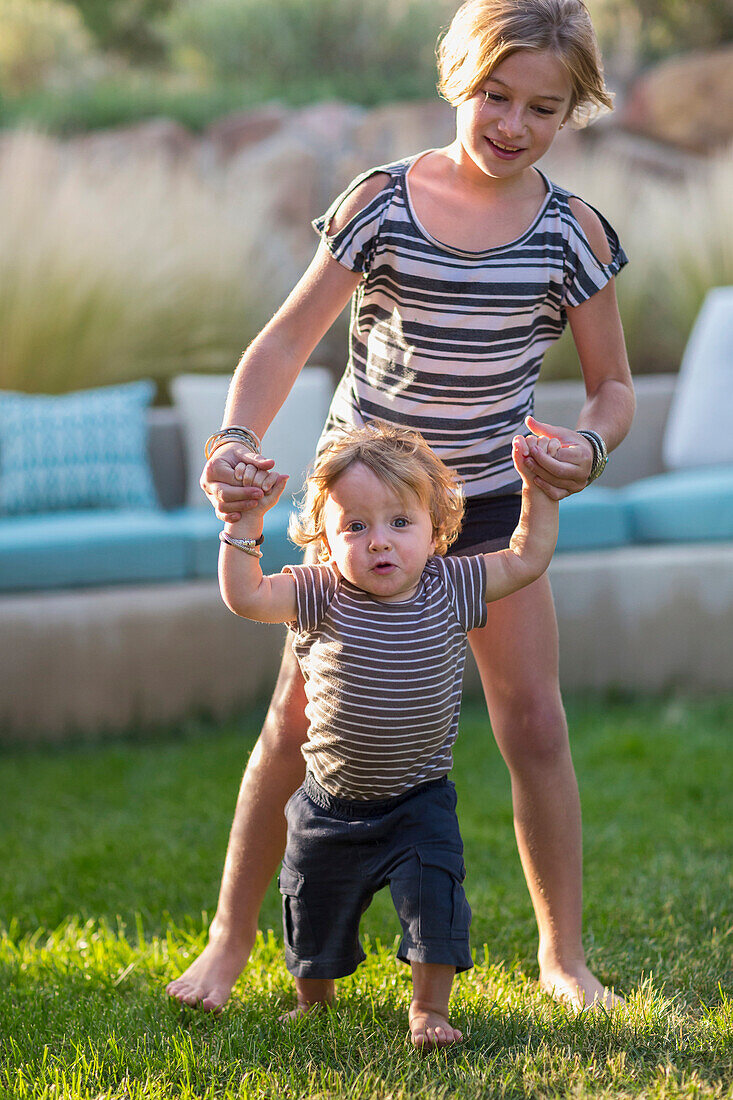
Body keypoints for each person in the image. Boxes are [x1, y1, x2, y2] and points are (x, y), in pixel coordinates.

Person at [166, 0, 635, 1014]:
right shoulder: (382, 201)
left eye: (541, 108)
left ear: (572, 110)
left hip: (489, 506)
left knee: (533, 723)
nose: (510, 124)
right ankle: (228, 940)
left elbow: (612, 386)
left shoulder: (572, 233)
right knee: (293, 726)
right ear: (456, 78)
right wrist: (234, 441)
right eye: (493, 96)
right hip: (369, 509)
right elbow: (283, 345)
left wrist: (585, 446)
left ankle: (564, 956)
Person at [217, 422, 559, 1048]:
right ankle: (313, 1000)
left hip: (418, 800)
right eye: (356, 526)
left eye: (400, 522)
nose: (380, 542)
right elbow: (245, 596)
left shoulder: (452, 585)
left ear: (437, 528)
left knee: (436, 899)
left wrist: (539, 491)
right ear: (325, 535)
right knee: (311, 910)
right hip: (329, 805)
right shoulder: (320, 592)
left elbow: (527, 558)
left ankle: (429, 1009)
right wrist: (244, 528)